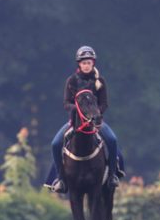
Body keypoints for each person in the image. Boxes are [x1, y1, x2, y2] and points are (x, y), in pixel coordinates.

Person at [43, 46, 122, 193]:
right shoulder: (72, 81)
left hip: (96, 122)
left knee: (112, 140)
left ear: (93, 64)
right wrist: (79, 112)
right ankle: (60, 179)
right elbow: (66, 103)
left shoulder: (100, 81)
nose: (86, 65)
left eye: (89, 63)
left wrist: (96, 115)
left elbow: (104, 103)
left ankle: (112, 175)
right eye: (84, 63)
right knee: (55, 144)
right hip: (75, 122)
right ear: (79, 64)